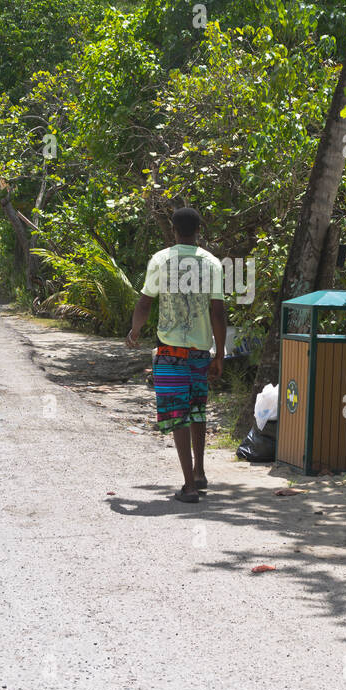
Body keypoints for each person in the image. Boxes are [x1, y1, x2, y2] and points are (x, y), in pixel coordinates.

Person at [126, 207, 227, 503]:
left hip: (170, 352)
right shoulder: (211, 263)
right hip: (199, 352)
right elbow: (218, 313)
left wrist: (134, 333)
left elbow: (144, 304)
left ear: (173, 230)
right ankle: (199, 472)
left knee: (178, 414)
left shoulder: (161, 259)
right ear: (199, 230)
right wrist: (219, 354)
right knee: (197, 411)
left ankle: (189, 487)